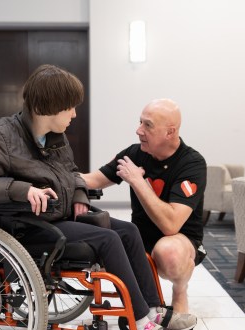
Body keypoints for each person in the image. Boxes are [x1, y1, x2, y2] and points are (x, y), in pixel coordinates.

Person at [0, 65, 191, 330]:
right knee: (107, 239)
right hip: (21, 226)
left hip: (55, 217)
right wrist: (20, 189)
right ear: (46, 108)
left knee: (128, 230)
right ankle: (141, 326)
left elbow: (71, 173)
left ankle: (152, 312)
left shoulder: (54, 136)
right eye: (69, 108)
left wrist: (78, 193)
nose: (74, 115)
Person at [82, 99, 206, 316]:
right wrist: (48, 177)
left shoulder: (192, 163)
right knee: (100, 250)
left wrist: (138, 181)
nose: (138, 130)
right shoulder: (135, 153)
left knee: (168, 253)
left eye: (147, 125)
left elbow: (171, 225)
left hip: (180, 239)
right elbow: (93, 180)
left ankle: (179, 291)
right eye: (140, 122)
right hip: (139, 236)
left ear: (170, 132)